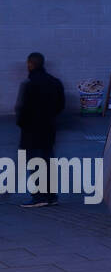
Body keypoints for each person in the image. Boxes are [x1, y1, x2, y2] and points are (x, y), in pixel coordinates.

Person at [15, 52, 65, 207]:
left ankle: (39, 197)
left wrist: (22, 123)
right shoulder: (55, 82)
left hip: (31, 132)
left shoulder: (29, 84)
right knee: (48, 162)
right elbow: (60, 105)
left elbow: (22, 110)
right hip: (48, 130)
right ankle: (51, 196)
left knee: (35, 163)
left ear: (30, 64)